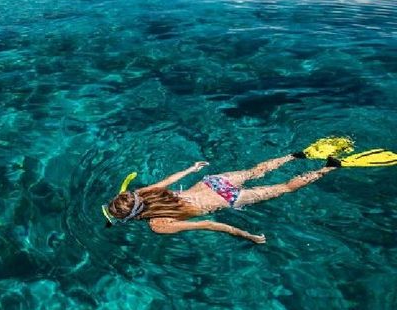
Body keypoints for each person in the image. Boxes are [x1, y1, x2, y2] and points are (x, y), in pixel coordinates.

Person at [102, 137, 397, 243]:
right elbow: (168, 180)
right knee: (258, 169)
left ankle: (331, 166)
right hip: (213, 181)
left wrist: (249, 236)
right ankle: (298, 155)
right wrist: (193, 169)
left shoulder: (158, 225)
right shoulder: (147, 192)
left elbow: (208, 224)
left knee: (283, 187)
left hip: (228, 198)